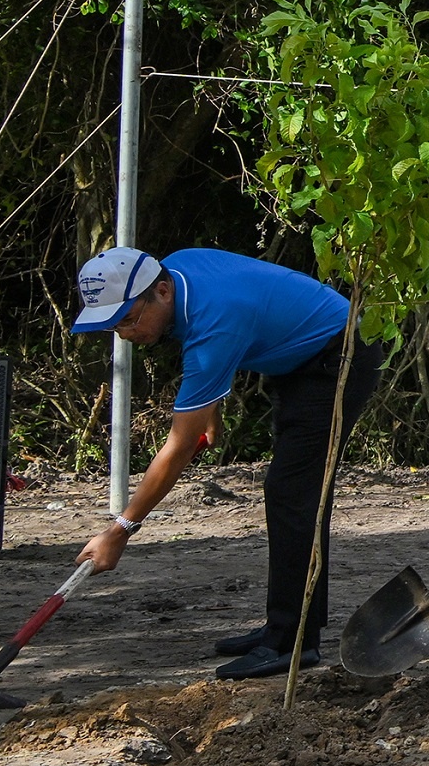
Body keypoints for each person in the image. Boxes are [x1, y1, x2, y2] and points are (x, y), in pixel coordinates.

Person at [67, 245, 382, 681]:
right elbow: (227, 327)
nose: (123, 333)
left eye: (128, 319)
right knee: (290, 492)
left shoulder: (214, 323)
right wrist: (210, 406)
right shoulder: (179, 272)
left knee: (293, 493)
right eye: (113, 324)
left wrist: (119, 530)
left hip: (338, 355)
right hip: (295, 356)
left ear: (160, 291)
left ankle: (294, 642)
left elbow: (176, 448)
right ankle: (283, 626)